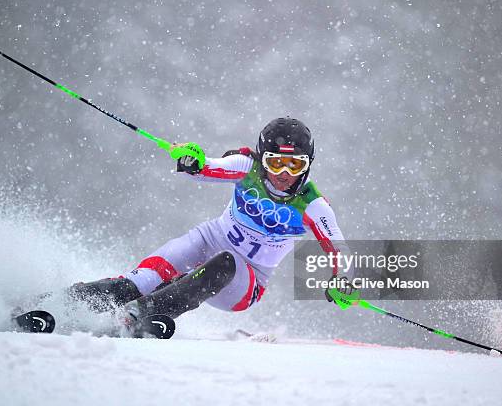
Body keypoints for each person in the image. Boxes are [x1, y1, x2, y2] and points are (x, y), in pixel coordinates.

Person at [67, 117, 354, 335]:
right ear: (262, 159)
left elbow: (340, 251)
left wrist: (344, 281)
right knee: (146, 278)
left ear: (308, 164)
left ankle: (139, 313)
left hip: (247, 280)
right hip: (209, 239)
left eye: (295, 165)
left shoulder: (313, 206)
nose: (284, 174)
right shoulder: (247, 167)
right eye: (276, 162)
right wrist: (192, 160)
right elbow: (207, 167)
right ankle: (67, 303)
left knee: (226, 262)